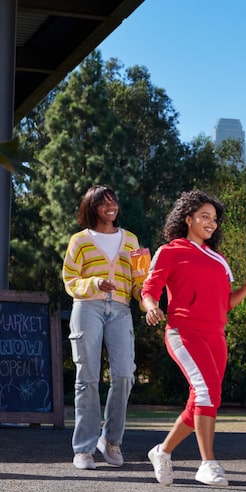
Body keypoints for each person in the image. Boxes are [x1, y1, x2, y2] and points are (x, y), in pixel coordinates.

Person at [140, 190, 246, 487]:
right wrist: (151, 308)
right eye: (204, 217)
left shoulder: (218, 259)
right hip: (183, 333)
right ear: (188, 219)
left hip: (216, 335)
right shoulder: (171, 250)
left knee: (202, 399)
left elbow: (225, 303)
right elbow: (149, 289)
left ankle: (162, 452)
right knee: (206, 393)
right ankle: (207, 463)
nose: (211, 223)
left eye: (214, 218)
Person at [61, 185, 149, 470]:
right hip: (87, 307)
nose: (111, 207)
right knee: (87, 378)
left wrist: (149, 304)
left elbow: (142, 281)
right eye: (104, 203)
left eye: (114, 201)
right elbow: (69, 279)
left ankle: (110, 441)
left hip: (121, 310)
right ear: (92, 207)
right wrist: (95, 283)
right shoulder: (80, 240)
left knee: (124, 375)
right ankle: (83, 449)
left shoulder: (132, 240)